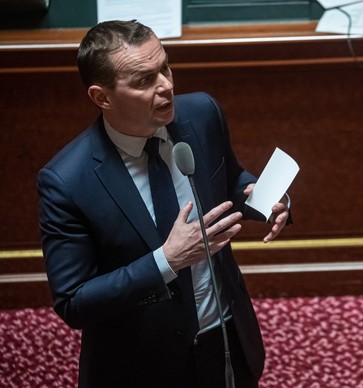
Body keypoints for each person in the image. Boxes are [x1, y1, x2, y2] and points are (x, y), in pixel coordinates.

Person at [37, 20, 290, 388]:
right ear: (101, 97)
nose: (167, 86)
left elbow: (231, 178)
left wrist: (263, 195)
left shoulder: (202, 113)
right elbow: (74, 302)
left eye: (165, 67)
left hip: (226, 338)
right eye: (144, 80)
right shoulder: (67, 181)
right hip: (142, 362)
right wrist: (166, 261)